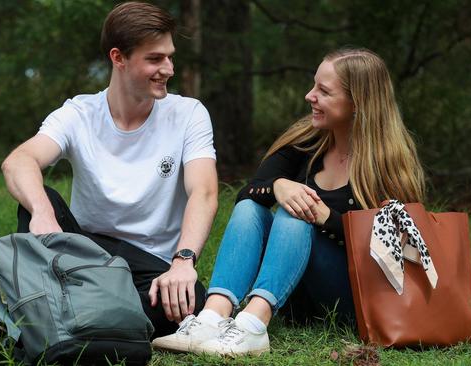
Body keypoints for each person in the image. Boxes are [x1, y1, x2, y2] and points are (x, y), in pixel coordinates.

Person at [152, 47, 425, 356]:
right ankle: (213, 316)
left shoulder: (389, 163)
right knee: (251, 208)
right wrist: (279, 186)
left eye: (323, 91)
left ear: (357, 103)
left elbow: (404, 252)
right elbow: (249, 193)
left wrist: (327, 219)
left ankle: (253, 326)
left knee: (297, 212)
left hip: (354, 297)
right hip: (293, 292)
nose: (310, 96)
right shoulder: (307, 140)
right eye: (313, 85)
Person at [0, 1, 218, 339]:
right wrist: (43, 214)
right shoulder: (80, 113)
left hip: (150, 264)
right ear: (118, 58)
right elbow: (19, 161)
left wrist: (183, 260)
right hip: (82, 252)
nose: (168, 68)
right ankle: (83, 314)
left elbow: (205, 192)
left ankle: (50, 312)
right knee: (36, 197)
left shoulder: (189, 114)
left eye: (169, 56)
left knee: (189, 301)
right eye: (154, 58)